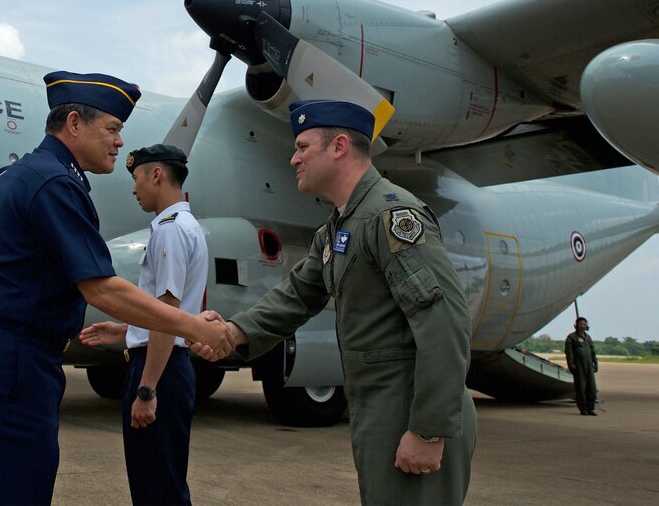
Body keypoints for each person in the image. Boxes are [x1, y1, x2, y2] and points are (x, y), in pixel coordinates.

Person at [0, 70, 232, 505]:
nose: (120, 142)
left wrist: (128, 332)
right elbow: (102, 289)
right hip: (15, 361)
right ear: (75, 123)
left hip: (7, 356)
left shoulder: (34, 174)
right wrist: (195, 328)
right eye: (113, 128)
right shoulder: (54, 182)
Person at [198, 99, 477, 505]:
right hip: (379, 409)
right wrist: (233, 331)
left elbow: (443, 320)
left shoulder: (391, 216)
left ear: (340, 146)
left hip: (409, 408)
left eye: (303, 147)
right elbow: (296, 294)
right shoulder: (339, 228)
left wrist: (429, 429)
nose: (293, 158)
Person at [79, 143, 208, 505]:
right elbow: (171, 314)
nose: (134, 189)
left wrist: (147, 390)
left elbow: (167, 314)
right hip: (166, 363)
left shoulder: (169, 231)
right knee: (161, 480)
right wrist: (125, 331)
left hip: (159, 370)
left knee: (156, 487)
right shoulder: (185, 226)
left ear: (156, 174)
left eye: (136, 178)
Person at [565, 317, 598, 415]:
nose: (582, 326)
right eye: (580, 324)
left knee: (591, 387)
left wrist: (595, 362)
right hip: (579, 366)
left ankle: (591, 408)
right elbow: (569, 353)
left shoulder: (588, 337)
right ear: (576, 325)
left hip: (589, 366)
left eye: (584, 324)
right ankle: (583, 408)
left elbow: (593, 351)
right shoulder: (571, 337)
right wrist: (571, 365)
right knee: (581, 388)